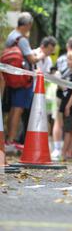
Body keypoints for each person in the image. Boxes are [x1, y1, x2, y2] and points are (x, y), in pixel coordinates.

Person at [4, 12, 45, 151]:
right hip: (22, 80)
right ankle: (11, 140)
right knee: (18, 108)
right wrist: (41, 54)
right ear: (27, 25)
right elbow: (31, 59)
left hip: (11, 77)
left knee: (12, 108)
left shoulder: (11, 36)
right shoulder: (21, 39)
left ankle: (8, 139)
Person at [51, 36, 72, 161]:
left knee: (61, 123)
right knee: (70, 126)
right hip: (67, 99)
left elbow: (53, 72)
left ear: (68, 46)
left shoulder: (62, 59)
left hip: (63, 97)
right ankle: (66, 151)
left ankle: (60, 150)